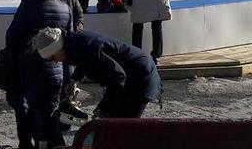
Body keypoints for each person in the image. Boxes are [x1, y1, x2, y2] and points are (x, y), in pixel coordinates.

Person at [5, 0, 74, 149]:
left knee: (26, 109)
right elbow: (70, 38)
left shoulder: (29, 6)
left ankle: (27, 143)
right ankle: (50, 143)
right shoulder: (66, 8)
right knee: (51, 110)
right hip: (56, 70)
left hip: (30, 68)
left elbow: (12, 36)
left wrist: (13, 55)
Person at [33, 28, 162, 119]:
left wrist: (104, 107)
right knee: (114, 122)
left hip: (141, 76)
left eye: (53, 57)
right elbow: (85, 61)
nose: (55, 62)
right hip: (133, 74)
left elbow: (118, 77)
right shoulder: (75, 44)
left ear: (59, 49)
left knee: (124, 125)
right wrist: (75, 80)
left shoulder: (88, 48)